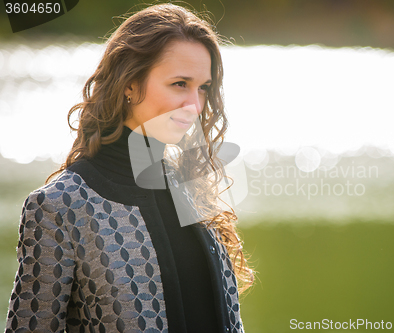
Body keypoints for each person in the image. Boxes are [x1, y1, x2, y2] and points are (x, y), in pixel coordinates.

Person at [5, 3, 253, 333]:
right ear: (129, 84)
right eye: (180, 83)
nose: (194, 105)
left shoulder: (192, 188)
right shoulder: (60, 205)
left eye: (203, 87)